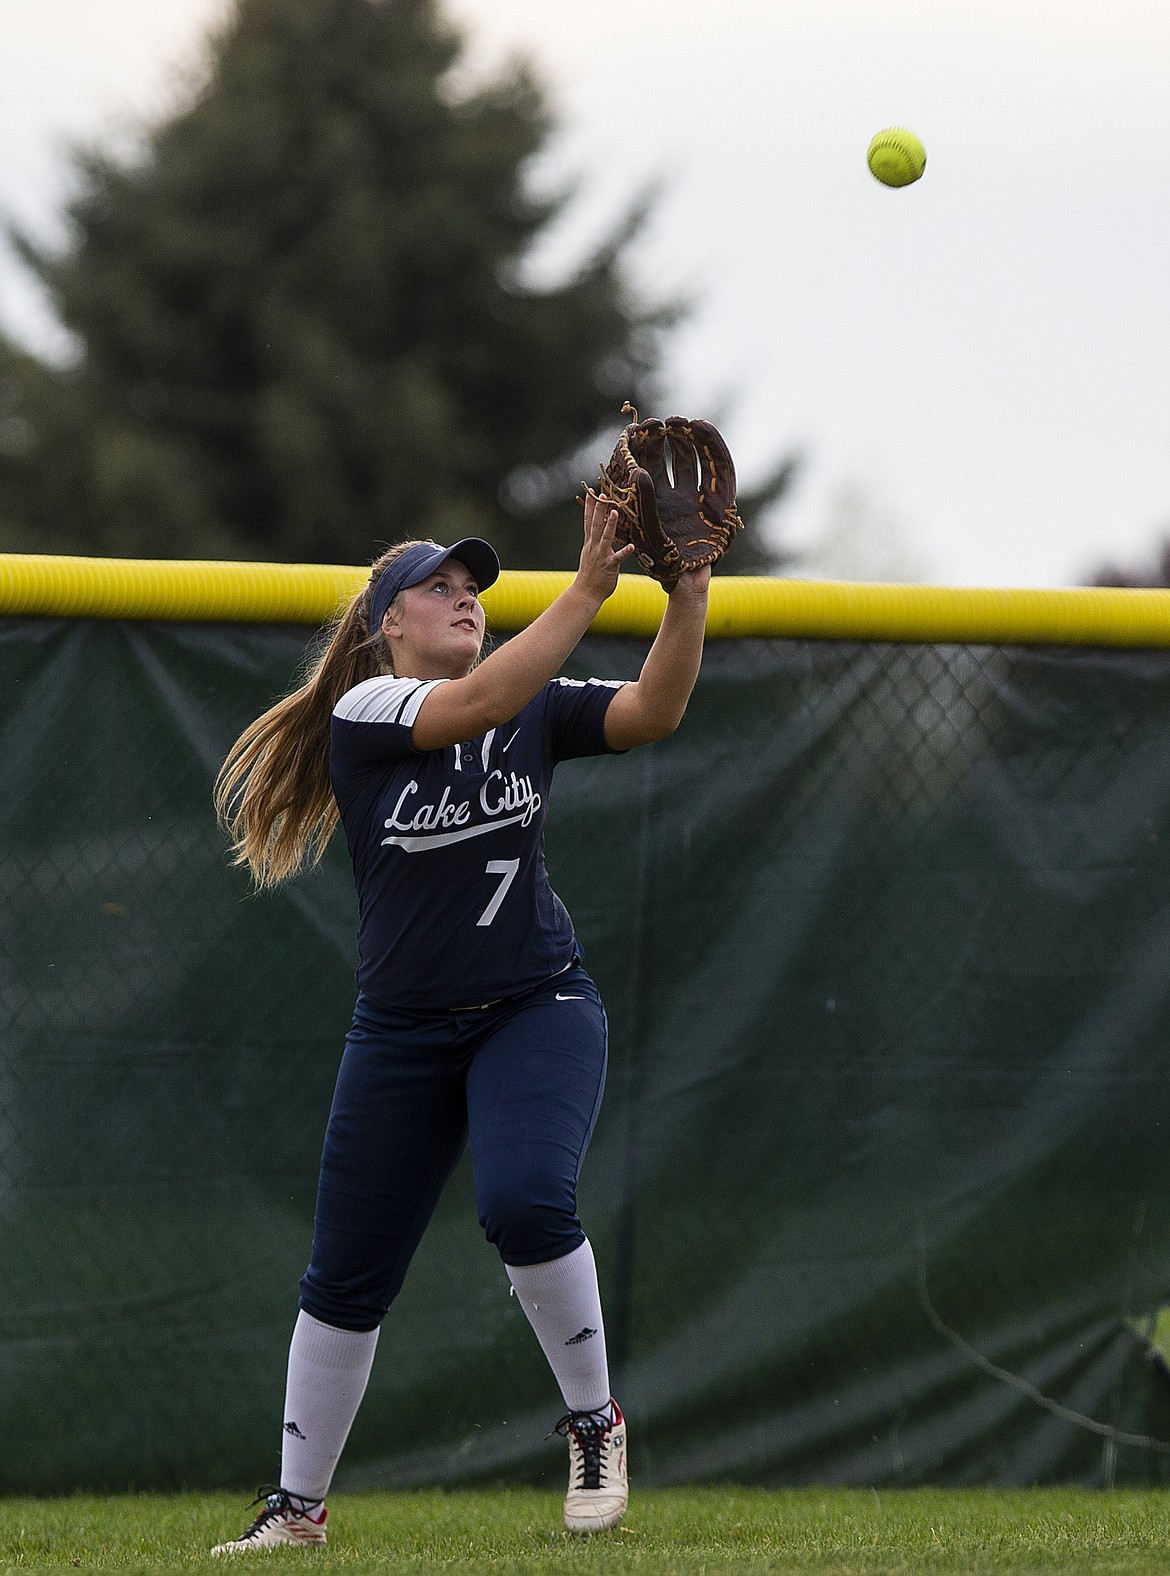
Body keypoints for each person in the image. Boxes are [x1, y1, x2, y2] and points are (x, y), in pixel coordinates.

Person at [210, 491, 710, 1551]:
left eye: (473, 588)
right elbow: (475, 705)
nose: (464, 599)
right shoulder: (369, 713)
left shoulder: (526, 699)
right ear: (387, 622)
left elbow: (653, 711)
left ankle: (594, 1422)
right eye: (437, 588)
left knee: (527, 1200)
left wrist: (689, 594)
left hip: (536, 1004)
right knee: (346, 1272)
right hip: (400, 1029)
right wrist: (585, 589)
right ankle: (296, 1510)